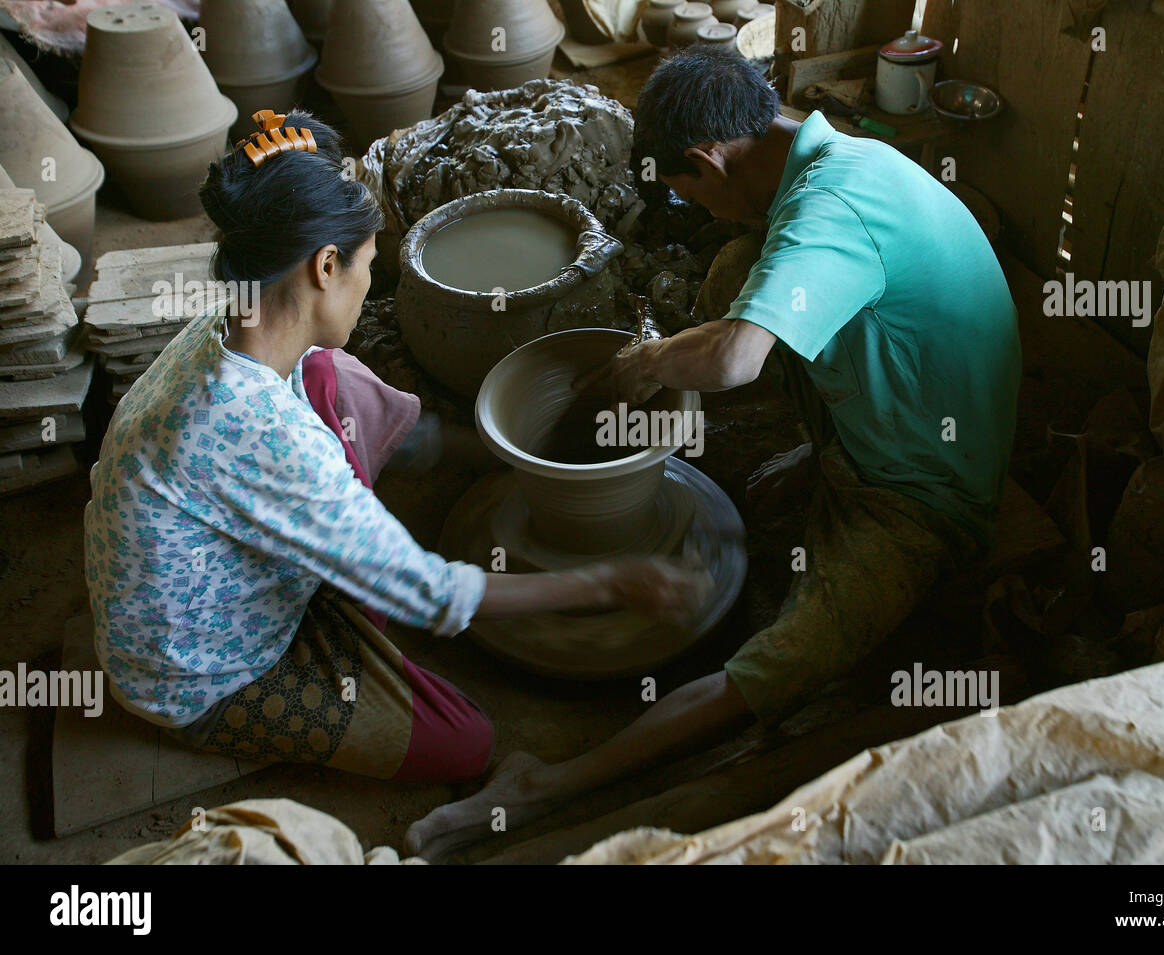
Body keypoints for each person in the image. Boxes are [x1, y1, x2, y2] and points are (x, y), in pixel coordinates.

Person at [405, 47, 1021, 857]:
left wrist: (644, 363)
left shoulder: (831, 213)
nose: (687, 207)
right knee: (738, 265)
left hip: (924, 485)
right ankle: (806, 454)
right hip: (902, 395)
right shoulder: (834, 150)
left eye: (683, 187)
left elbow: (733, 361)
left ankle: (546, 783)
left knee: (785, 664)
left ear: (706, 157)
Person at [83, 110, 706, 784]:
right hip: (199, 672)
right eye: (368, 268)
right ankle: (346, 614)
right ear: (326, 267)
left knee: (329, 370)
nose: (370, 287)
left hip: (204, 564)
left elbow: (315, 404)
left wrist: (511, 452)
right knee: (466, 739)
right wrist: (610, 579)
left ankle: (382, 551)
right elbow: (434, 593)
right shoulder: (263, 431)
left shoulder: (235, 324)